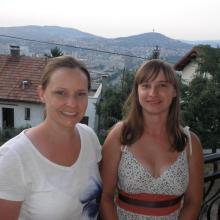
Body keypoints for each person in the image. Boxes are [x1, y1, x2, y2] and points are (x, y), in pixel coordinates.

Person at [0, 56, 102, 220]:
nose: (72, 103)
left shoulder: (89, 137)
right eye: (61, 93)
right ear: (41, 94)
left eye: (80, 94)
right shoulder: (13, 157)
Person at [100, 59, 204, 220]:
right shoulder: (120, 135)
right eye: (146, 86)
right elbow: (104, 197)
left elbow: (193, 202)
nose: (153, 93)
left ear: (174, 91)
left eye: (162, 85)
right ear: (137, 91)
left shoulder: (190, 143)